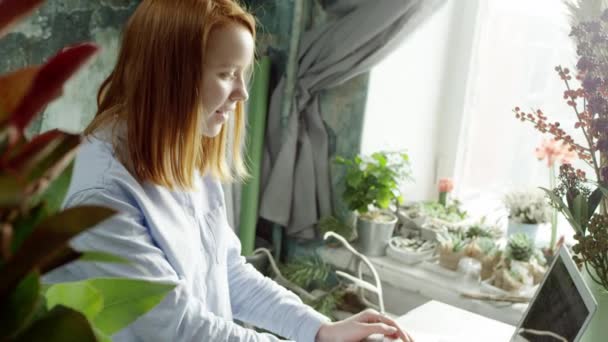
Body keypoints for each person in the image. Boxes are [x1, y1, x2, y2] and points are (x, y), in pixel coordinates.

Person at [44, 0, 413, 341]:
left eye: (242, 74)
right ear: (170, 76)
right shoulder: (100, 195)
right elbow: (179, 329)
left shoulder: (182, 151)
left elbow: (227, 271)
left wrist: (319, 330)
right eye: (226, 74)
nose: (242, 94)